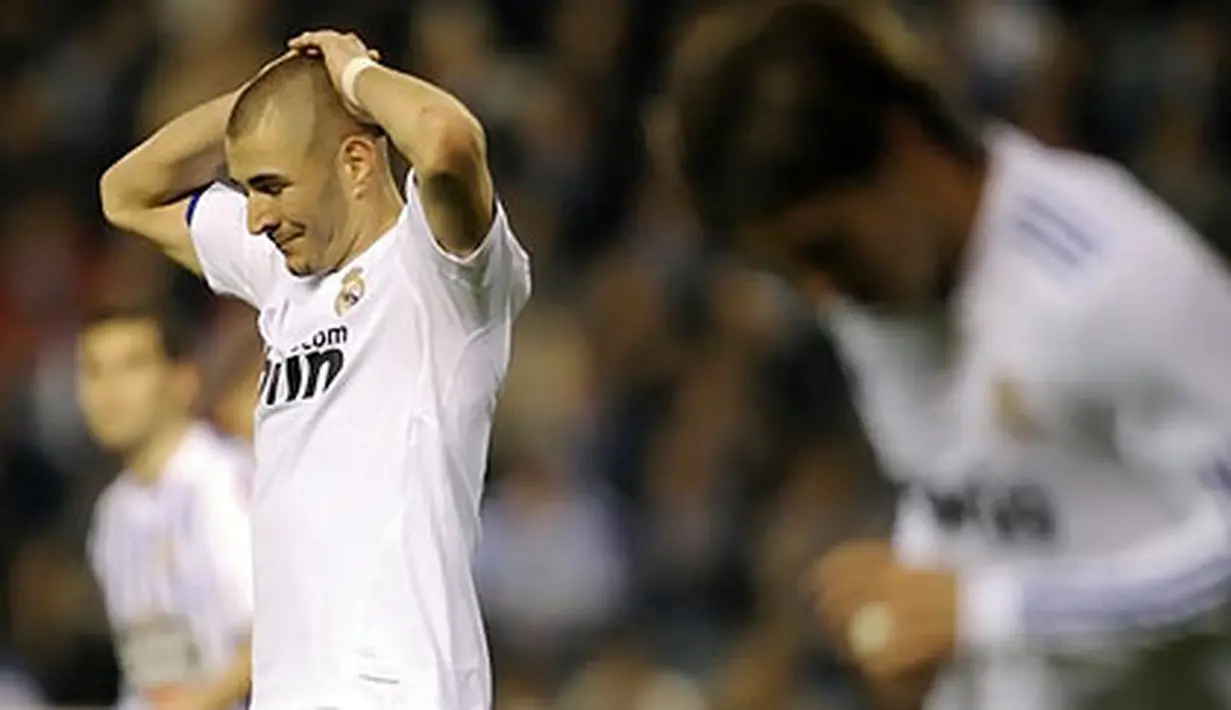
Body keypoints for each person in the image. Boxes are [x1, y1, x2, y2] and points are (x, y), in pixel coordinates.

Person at [669, 3, 1231, 710]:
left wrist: (990, 612)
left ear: (903, 147)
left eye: (824, 250)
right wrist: (911, 602)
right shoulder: (874, 301)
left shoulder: (1110, 282)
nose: (818, 295)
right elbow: (964, 495)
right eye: (788, 272)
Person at [98, 29, 531, 710]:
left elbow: (447, 139)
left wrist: (352, 75)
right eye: (245, 190)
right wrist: (272, 96)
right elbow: (125, 193)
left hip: (402, 691)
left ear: (357, 161)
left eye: (270, 186)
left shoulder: (440, 274)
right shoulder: (281, 276)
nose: (257, 217)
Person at [78, 304, 253, 710]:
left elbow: (278, 632)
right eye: (92, 370)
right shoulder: (112, 512)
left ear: (183, 379)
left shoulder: (221, 483)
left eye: (132, 366)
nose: (109, 390)